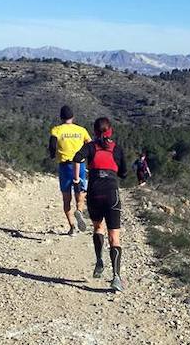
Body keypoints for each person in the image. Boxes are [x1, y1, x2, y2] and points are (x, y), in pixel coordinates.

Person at [72, 117, 129, 291]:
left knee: (98, 227)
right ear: (110, 130)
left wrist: (77, 179)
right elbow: (124, 174)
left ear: (95, 131)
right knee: (114, 237)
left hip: (95, 193)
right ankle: (116, 278)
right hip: (112, 194)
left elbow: (77, 157)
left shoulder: (90, 147)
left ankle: (99, 261)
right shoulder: (117, 149)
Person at [48, 105, 91, 235]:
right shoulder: (81, 130)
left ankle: (72, 227)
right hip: (81, 165)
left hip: (65, 166)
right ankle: (79, 209)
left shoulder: (56, 130)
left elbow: (52, 144)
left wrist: (52, 155)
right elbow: (90, 144)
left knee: (66, 197)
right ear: (73, 117)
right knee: (81, 191)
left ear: (61, 117)